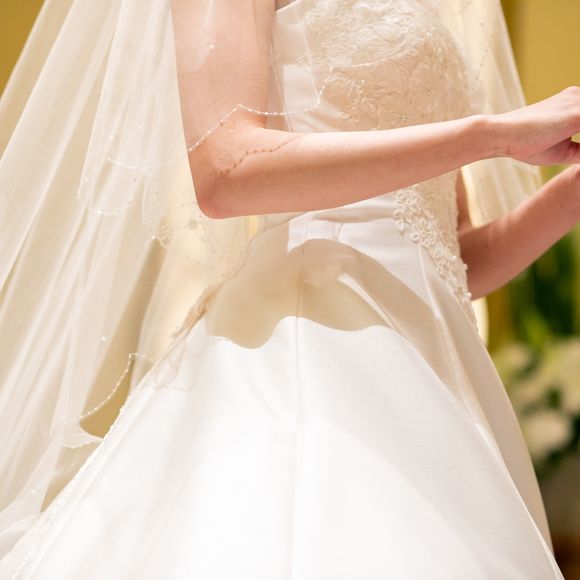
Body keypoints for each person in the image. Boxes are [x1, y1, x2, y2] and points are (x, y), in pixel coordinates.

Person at [0, 0, 578, 577]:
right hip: (318, 332)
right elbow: (226, 169)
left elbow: (455, 254)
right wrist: (489, 136)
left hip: (432, 355)